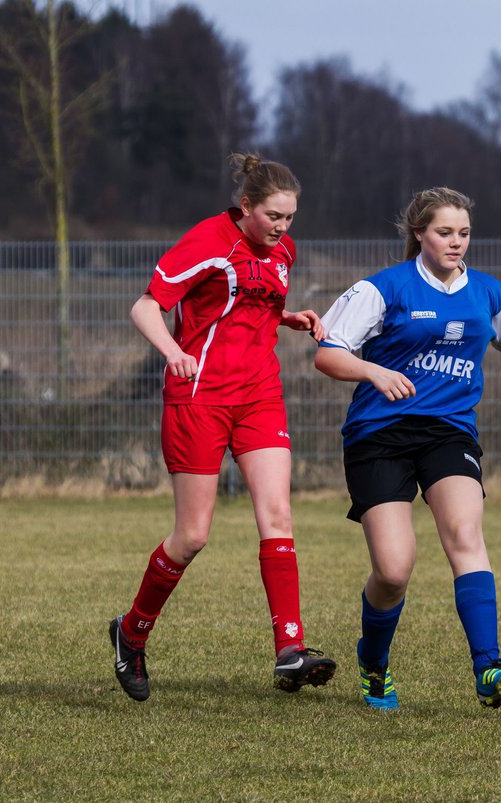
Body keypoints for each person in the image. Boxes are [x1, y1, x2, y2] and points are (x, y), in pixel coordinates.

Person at [314, 187, 501, 710]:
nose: (456, 242)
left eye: (464, 233)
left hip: (449, 431)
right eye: (444, 232)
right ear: (419, 234)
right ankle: (373, 661)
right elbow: (329, 355)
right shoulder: (385, 289)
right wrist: (373, 370)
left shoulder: (488, 293)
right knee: (394, 569)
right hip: (378, 435)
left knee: (465, 533)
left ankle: (488, 665)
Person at [108, 153, 336, 701]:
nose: (282, 228)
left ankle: (290, 649)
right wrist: (170, 351)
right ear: (246, 206)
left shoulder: (284, 251)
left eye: (291, 217)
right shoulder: (209, 241)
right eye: (273, 217)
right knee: (192, 536)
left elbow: (245, 307)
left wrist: (288, 316)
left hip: (259, 395)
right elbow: (145, 307)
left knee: (278, 513)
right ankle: (132, 632)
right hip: (199, 396)